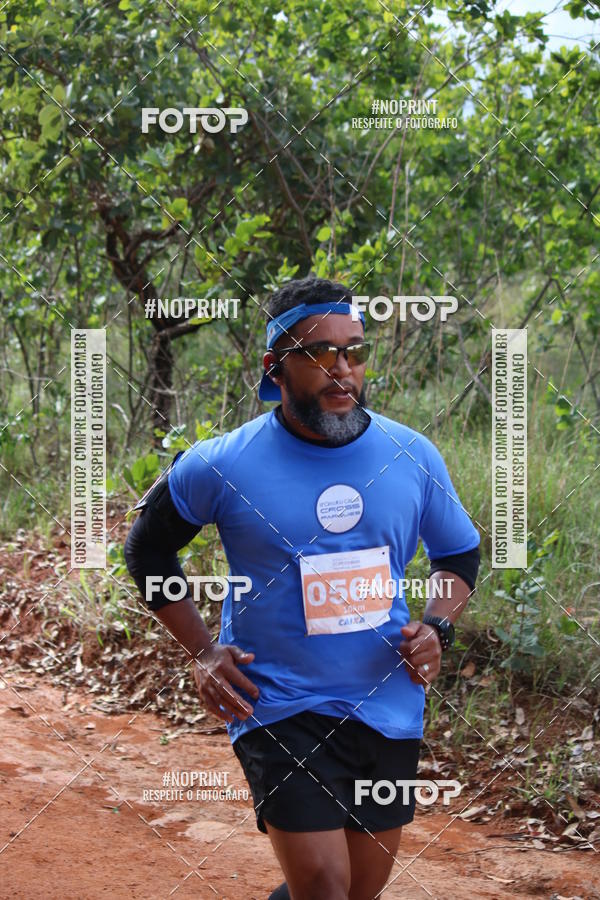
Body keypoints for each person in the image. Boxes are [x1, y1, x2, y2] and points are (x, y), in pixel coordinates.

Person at [124, 274, 480, 900]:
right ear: (276, 367)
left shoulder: (412, 455)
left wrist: (438, 625)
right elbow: (147, 549)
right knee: (322, 884)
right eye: (320, 353)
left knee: (359, 890)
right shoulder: (222, 463)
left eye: (354, 351)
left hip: (387, 702)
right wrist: (203, 651)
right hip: (278, 704)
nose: (342, 369)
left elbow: (458, 552)